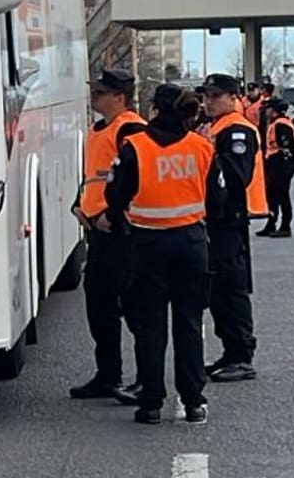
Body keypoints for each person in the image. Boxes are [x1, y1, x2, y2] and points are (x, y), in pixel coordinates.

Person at [101, 85, 226, 425]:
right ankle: (193, 401)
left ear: (154, 109)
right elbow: (218, 204)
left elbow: (115, 195)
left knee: (149, 326)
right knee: (189, 323)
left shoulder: (135, 147)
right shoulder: (202, 148)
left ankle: (151, 402)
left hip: (147, 246)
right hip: (191, 245)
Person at [69, 67, 147, 402]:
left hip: (121, 231)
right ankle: (108, 374)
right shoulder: (98, 129)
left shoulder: (131, 128)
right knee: (99, 305)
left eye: (101, 93)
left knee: (134, 308)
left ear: (120, 97)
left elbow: (136, 180)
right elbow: (94, 177)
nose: (94, 97)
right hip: (98, 230)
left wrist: (111, 216)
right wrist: (80, 205)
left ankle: (146, 378)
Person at [201, 74, 270, 383]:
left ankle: (241, 355)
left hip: (228, 220)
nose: (209, 101)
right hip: (213, 220)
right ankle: (231, 352)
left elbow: (235, 175)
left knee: (230, 288)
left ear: (233, 97)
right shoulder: (214, 128)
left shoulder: (238, 130)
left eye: (215, 96)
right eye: (206, 96)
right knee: (218, 289)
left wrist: (208, 149)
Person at [259, 98, 294, 238]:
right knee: (272, 194)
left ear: (275, 110)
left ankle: (285, 226)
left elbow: (289, 145)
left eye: (269, 109)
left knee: (281, 194)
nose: (266, 111)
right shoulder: (274, 123)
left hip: (282, 162)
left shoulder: (282, 125)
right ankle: (271, 223)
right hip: (274, 161)